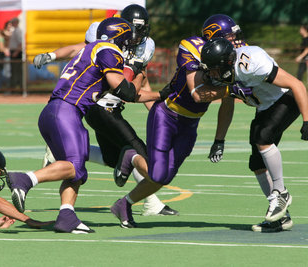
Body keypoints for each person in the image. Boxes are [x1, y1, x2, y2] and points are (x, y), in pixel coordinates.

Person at [6, 17, 166, 234]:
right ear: (119, 38)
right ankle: (25, 179)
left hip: (59, 111)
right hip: (67, 111)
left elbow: (124, 92)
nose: (129, 46)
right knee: (73, 166)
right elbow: (126, 92)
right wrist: (137, 71)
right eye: (127, 41)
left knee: (77, 172)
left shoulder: (92, 49)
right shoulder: (109, 50)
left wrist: (161, 94)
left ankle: (66, 216)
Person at [34, 4, 178, 217]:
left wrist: (157, 113)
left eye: (141, 29)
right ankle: (150, 202)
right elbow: (79, 50)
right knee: (139, 152)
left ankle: (58, 155)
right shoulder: (104, 32)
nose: (137, 35)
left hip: (114, 106)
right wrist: (52, 56)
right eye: (133, 28)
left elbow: (139, 85)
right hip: (97, 103)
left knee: (114, 158)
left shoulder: (146, 47)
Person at [109, 14, 242, 228]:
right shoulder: (191, 47)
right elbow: (198, 94)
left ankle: (123, 204)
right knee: (158, 174)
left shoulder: (232, 54)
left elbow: (228, 101)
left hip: (191, 123)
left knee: (165, 177)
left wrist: (220, 139)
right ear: (214, 36)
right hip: (167, 116)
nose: (236, 41)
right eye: (230, 36)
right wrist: (230, 89)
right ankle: (131, 157)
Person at [200, 38, 308, 232]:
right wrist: (219, 140)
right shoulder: (221, 74)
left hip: (284, 98)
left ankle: (281, 192)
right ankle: (280, 218)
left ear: (226, 62)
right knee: (256, 164)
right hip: (264, 107)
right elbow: (226, 104)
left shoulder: (251, 63)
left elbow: (296, 84)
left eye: (214, 69)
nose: (212, 74)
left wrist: (307, 120)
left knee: (262, 137)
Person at [8, 17, 22, 89]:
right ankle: (15, 87)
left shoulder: (17, 31)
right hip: (14, 52)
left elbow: (20, 43)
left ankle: (17, 87)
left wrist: (16, 52)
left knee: (16, 71)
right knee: (14, 71)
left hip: (16, 52)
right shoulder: (14, 30)